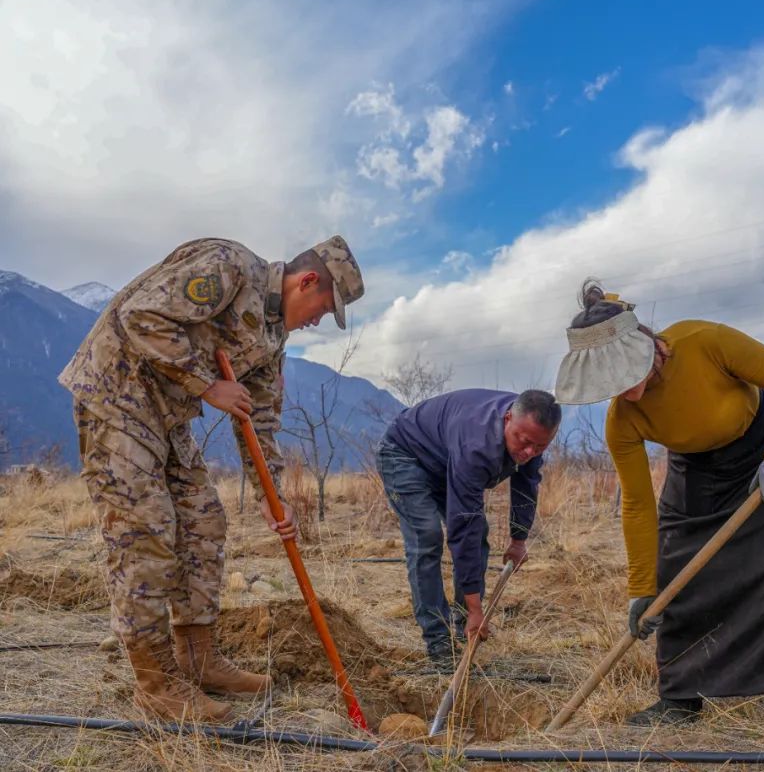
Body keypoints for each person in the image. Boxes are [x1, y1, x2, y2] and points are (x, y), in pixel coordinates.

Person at [59, 235, 365, 723]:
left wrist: (272, 495)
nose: (316, 321)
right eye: (323, 309)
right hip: (116, 396)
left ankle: (198, 659)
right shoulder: (229, 267)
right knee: (147, 533)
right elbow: (142, 315)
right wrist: (206, 386)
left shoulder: (273, 336)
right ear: (306, 281)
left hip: (166, 417)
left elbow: (258, 413)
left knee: (204, 523)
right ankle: (156, 686)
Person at [555, 281, 764, 751]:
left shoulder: (703, 342)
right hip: (696, 472)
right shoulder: (622, 420)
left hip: (762, 454)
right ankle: (681, 697)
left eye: (625, 376)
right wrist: (642, 591)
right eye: (611, 385)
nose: (624, 392)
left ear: (645, 347)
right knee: (677, 569)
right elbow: (639, 505)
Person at [377, 389, 560, 667]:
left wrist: (518, 540)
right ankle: (438, 639)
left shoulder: (532, 432)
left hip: (443, 461)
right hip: (404, 455)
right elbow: (464, 527)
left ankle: (465, 624)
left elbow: (526, 485)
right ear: (508, 418)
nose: (528, 453)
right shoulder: (477, 443)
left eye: (539, 448)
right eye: (523, 443)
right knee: (427, 535)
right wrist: (479, 608)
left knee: (480, 533)